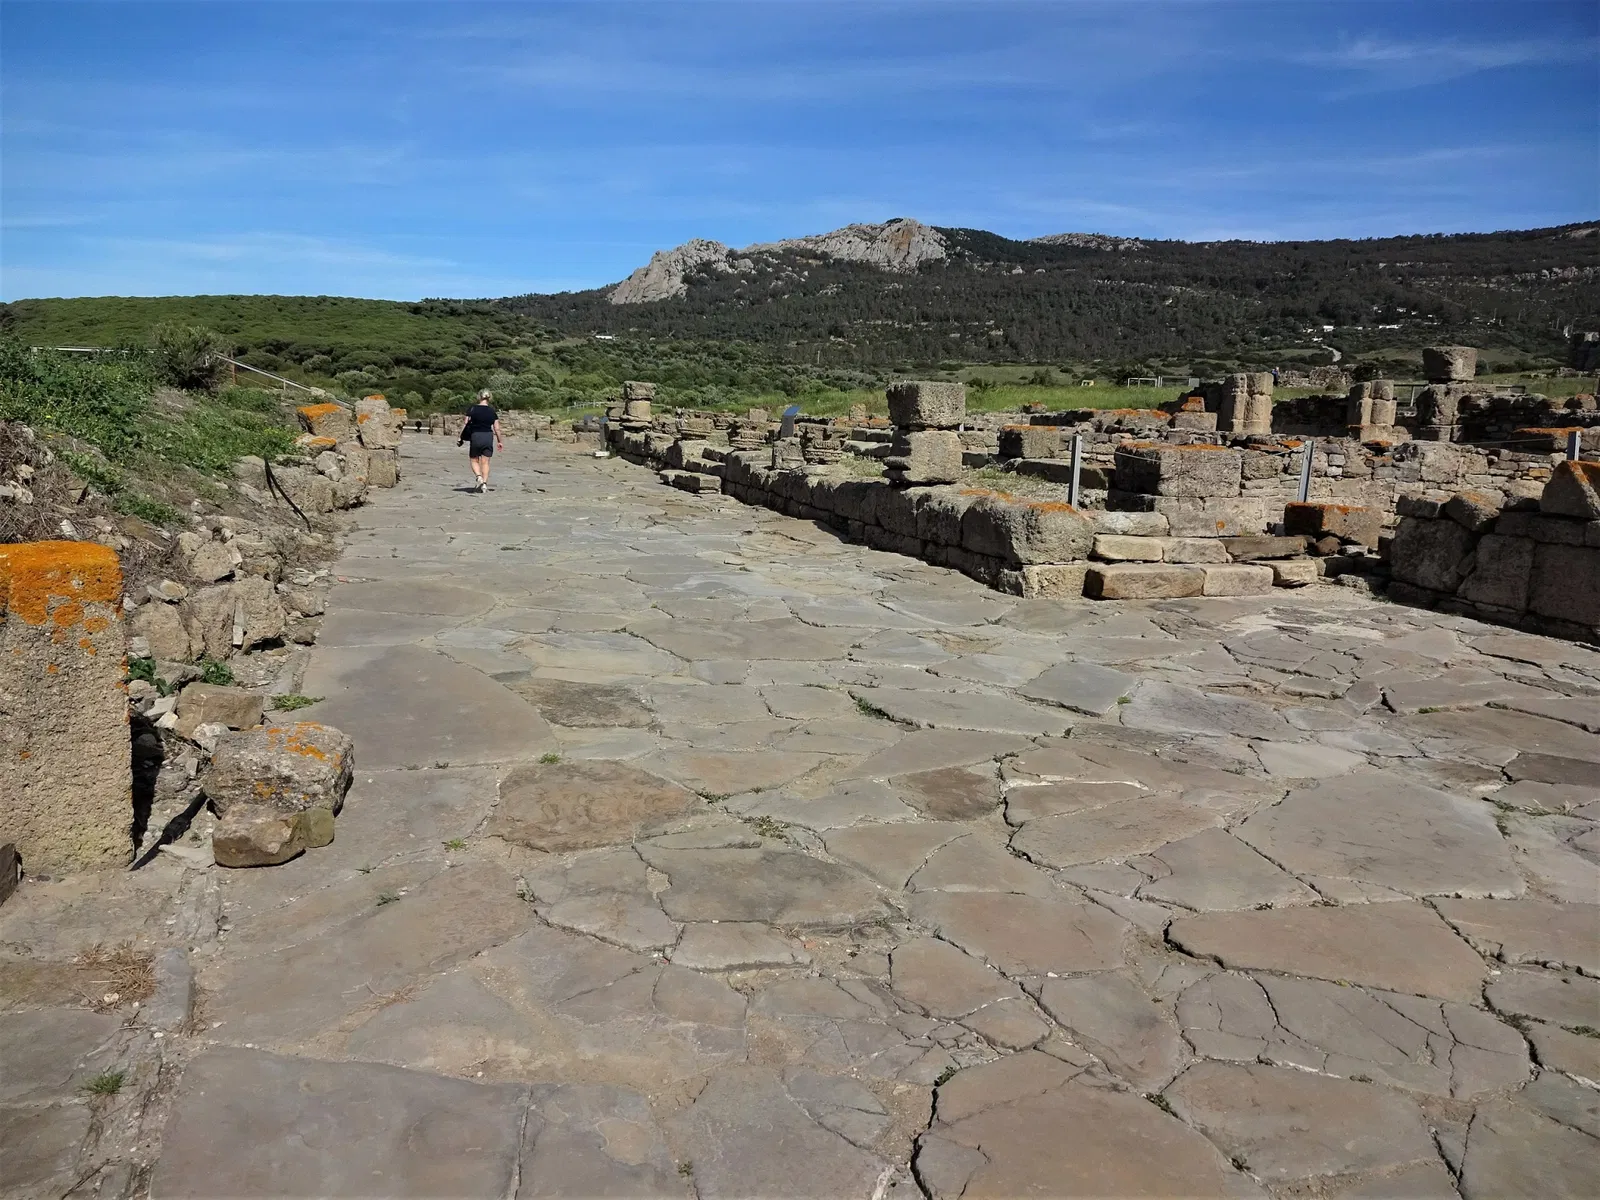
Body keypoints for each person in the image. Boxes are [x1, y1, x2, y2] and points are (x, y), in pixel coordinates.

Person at [459, 389, 503, 492]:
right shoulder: (492, 411)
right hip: (488, 436)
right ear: (489, 397)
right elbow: (497, 428)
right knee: (485, 462)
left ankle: (479, 477)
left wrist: (460, 436)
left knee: (474, 459)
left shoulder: (472, 409)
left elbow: (465, 424)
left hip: (476, 436)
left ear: (479, 397)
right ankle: (484, 484)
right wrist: (499, 441)